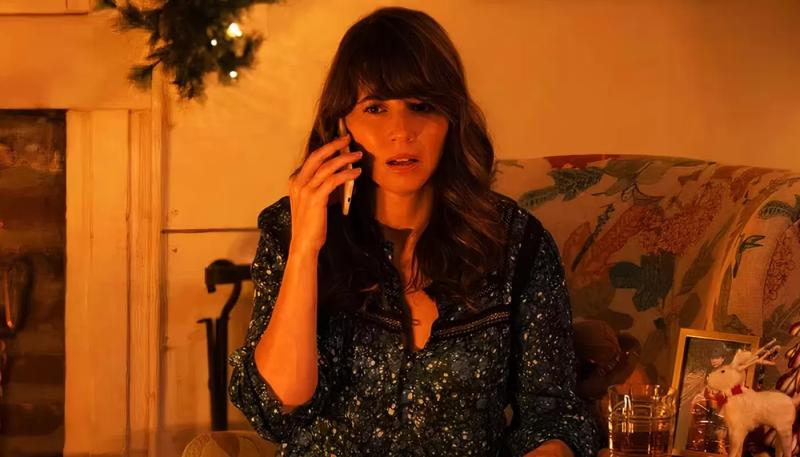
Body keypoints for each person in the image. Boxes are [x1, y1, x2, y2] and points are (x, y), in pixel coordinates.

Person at [228, 6, 595, 457]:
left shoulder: (516, 243)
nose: (401, 131)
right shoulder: (291, 229)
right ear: (341, 126)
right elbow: (277, 406)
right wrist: (306, 249)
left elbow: (553, 416)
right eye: (375, 108)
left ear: (451, 119)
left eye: (421, 106)